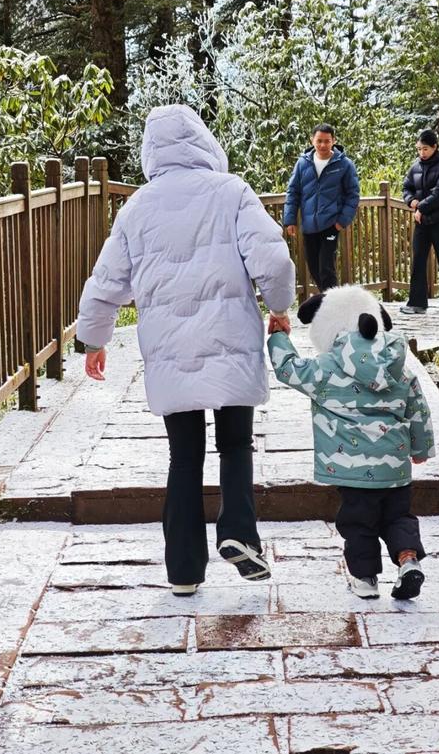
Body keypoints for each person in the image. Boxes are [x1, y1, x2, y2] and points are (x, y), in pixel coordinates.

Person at [77, 104, 295, 597]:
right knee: (236, 444)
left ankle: (182, 571)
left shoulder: (137, 207)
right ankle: (238, 530)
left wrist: (95, 338)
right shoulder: (232, 192)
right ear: (203, 141)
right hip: (231, 342)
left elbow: (106, 281)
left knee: (184, 455)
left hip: (170, 350)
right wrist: (280, 308)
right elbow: (274, 260)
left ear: (151, 151)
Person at [267, 284, 434, 599]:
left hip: (352, 470)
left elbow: (288, 369)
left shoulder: (327, 368)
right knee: (398, 516)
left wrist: (278, 335)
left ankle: (365, 579)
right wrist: (421, 448)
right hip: (395, 467)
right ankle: (408, 558)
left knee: (359, 523)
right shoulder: (397, 364)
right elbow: (418, 408)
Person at [284, 123, 360, 292]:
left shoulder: (344, 164)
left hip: (331, 224)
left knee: (326, 268)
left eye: (327, 141)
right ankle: (331, 301)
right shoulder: (302, 164)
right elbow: (293, 191)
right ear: (312, 140)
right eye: (319, 141)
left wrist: (342, 221)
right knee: (313, 268)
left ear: (334, 140)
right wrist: (290, 220)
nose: (323, 145)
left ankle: (334, 307)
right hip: (309, 225)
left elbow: (353, 194)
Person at [400, 129, 439, 314]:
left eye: (425, 149)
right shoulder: (415, 167)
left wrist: (421, 208)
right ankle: (417, 303)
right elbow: (406, 187)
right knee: (418, 260)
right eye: (419, 149)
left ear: (435, 147)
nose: (422, 153)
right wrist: (410, 200)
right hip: (422, 222)